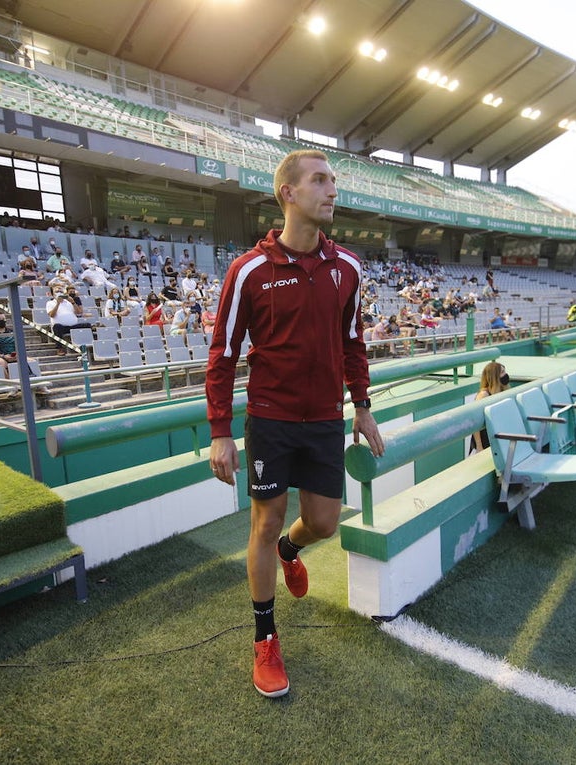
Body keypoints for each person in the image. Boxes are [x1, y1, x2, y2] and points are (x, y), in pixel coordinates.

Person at [205, 149, 384, 699]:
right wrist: (219, 431)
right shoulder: (249, 271)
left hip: (326, 419)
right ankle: (265, 638)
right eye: (320, 181)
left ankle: (291, 550)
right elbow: (223, 354)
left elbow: (353, 343)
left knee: (324, 522)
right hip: (271, 418)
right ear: (288, 193)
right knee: (264, 520)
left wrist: (361, 403)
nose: (333, 190)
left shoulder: (348, 267)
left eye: (333, 180)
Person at [469, 362, 510, 453]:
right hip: (485, 438)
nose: (505, 374)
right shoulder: (483, 395)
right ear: (494, 376)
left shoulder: (502, 390)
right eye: (502, 372)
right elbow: (475, 421)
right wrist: (479, 446)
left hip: (496, 434)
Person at [47, 285, 87, 353]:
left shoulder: (68, 302)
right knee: (57, 327)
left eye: (60, 291)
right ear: (52, 293)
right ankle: (59, 348)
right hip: (61, 327)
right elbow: (52, 315)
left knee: (87, 325)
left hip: (72, 326)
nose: (59, 292)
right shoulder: (50, 303)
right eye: (57, 291)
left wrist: (73, 303)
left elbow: (79, 312)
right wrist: (58, 304)